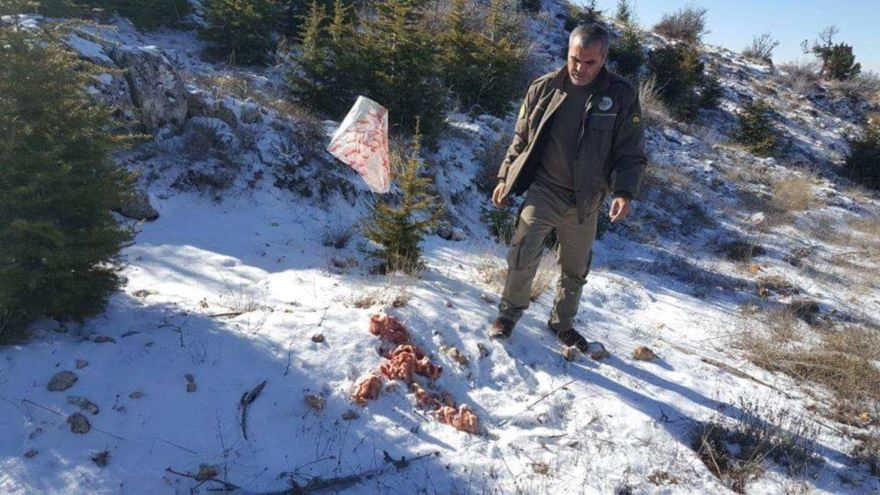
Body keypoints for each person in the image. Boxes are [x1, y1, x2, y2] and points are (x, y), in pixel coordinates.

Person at [488, 23, 647, 351]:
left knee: (575, 268)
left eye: (590, 62)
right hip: (544, 188)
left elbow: (630, 152)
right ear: (568, 52)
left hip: (586, 198)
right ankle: (509, 313)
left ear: (603, 58)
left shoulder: (620, 96)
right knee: (523, 252)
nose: (580, 68)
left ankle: (563, 323)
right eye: (575, 59)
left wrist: (623, 192)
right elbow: (520, 138)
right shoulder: (544, 87)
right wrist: (505, 177)